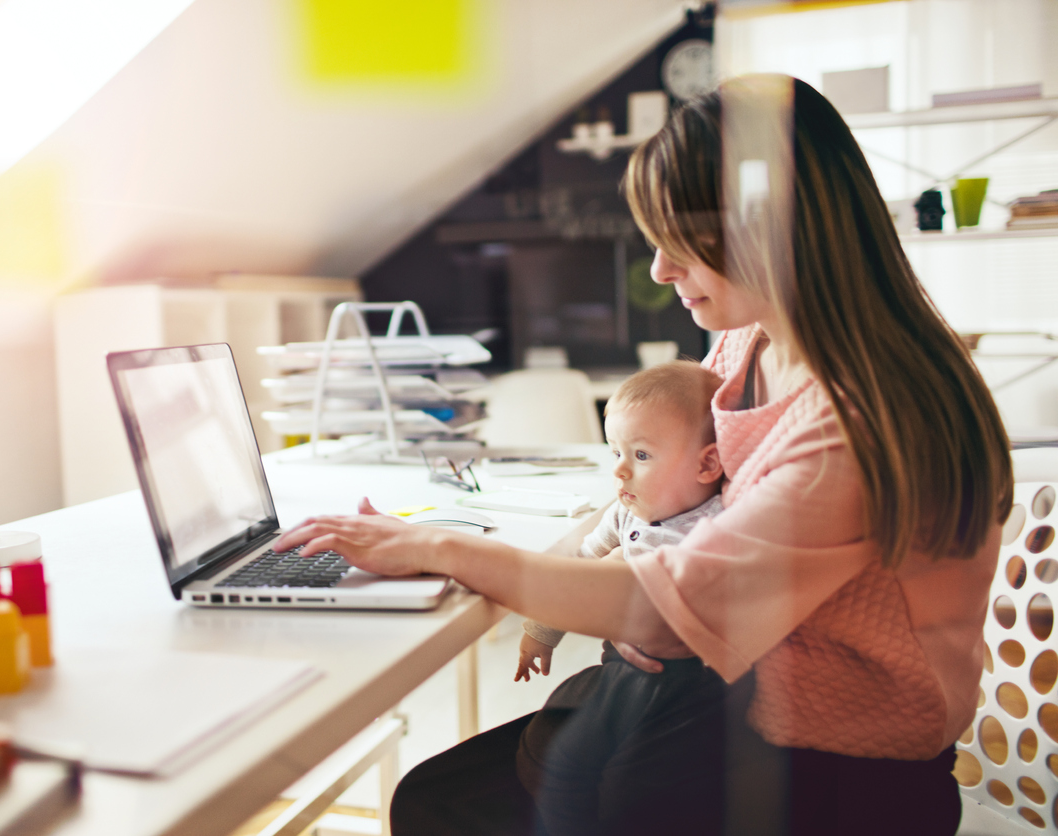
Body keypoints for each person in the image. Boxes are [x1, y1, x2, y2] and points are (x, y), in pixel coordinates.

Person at [273, 74, 1012, 836]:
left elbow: (664, 616)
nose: (659, 271)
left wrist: (438, 545)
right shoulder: (748, 338)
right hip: (731, 708)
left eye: (679, 242)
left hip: (841, 773)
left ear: (768, 228)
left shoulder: (860, 419)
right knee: (439, 797)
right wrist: (617, 572)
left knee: (452, 809)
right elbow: (682, 536)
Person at [514, 360, 727, 836]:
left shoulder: (717, 527)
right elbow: (581, 571)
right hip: (622, 663)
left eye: (642, 456)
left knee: (569, 764)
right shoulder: (626, 510)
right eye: (615, 451)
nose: (620, 470)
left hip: (675, 678)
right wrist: (541, 632)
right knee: (558, 738)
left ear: (707, 464)